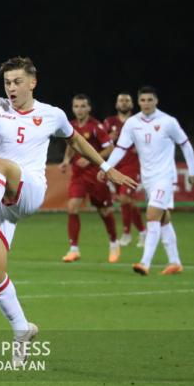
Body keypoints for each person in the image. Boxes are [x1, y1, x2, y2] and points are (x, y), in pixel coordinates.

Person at [0, 57, 135, 366]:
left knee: (0, 164)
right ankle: (22, 329)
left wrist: (107, 168)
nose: (11, 88)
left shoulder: (52, 115)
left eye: (17, 82)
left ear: (33, 82)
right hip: (2, 204)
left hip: (29, 191)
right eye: (7, 82)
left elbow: (78, 141)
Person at [102, 86, 194, 276]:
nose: (146, 103)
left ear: (156, 101)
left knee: (152, 215)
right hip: (148, 179)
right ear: (138, 102)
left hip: (165, 177)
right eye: (143, 100)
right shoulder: (133, 123)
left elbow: (185, 144)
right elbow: (121, 148)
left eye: (149, 100)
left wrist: (192, 171)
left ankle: (145, 263)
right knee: (163, 218)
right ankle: (175, 262)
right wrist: (106, 167)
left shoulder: (168, 122)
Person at [58, 94, 120, 263]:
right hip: (78, 175)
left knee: (105, 211)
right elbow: (71, 146)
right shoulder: (70, 125)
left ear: (89, 108)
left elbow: (110, 148)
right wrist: (65, 161)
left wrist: (92, 158)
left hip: (97, 176)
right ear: (72, 108)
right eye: (76, 106)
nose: (79, 109)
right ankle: (74, 249)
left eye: (83, 106)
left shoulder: (96, 127)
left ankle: (114, 243)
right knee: (72, 207)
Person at [103, 93, 146, 247]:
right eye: (121, 100)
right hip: (115, 166)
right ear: (116, 104)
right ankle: (131, 233)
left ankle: (139, 232)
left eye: (127, 100)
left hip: (132, 165)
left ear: (131, 104)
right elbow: (103, 143)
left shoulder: (139, 121)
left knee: (125, 199)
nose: (124, 103)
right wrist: (109, 137)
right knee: (125, 201)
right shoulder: (109, 122)